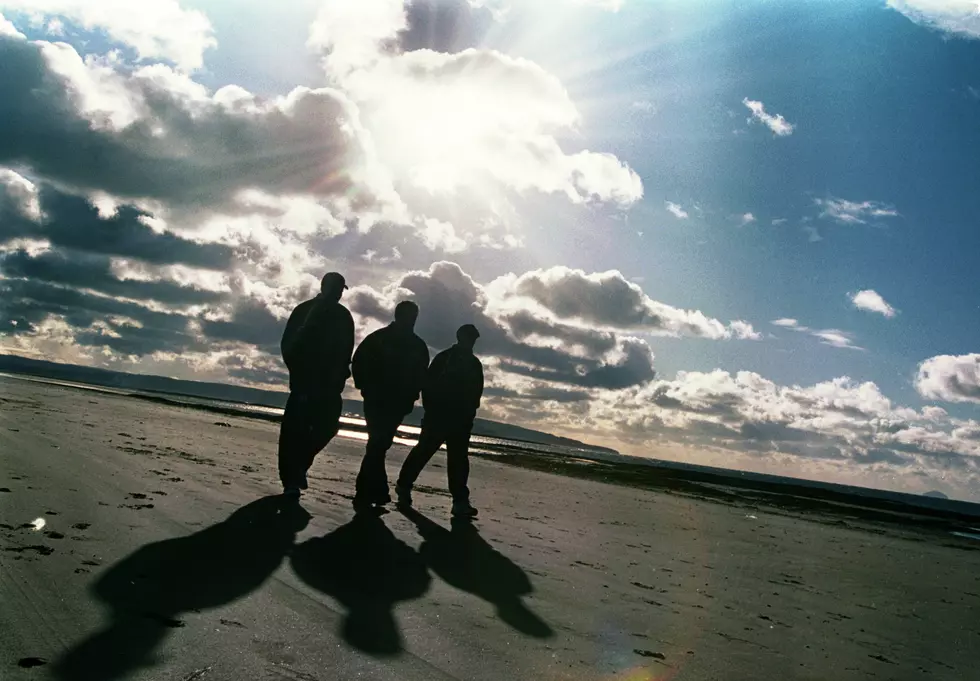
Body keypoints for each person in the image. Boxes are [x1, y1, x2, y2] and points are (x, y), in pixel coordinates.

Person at [278, 272, 355, 498]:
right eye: (337, 288)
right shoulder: (304, 310)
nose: (339, 293)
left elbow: (346, 350)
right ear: (324, 286)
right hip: (305, 382)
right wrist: (299, 375)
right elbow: (289, 346)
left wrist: (341, 374)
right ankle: (291, 480)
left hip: (330, 386)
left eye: (341, 289)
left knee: (328, 427)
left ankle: (299, 467)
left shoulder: (343, 315)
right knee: (294, 432)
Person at [396, 324, 483, 518]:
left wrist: (469, 414)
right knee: (423, 451)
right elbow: (427, 384)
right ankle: (403, 485)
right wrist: (432, 409)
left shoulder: (474, 364)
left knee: (458, 461)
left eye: (473, 339)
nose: (471, 342)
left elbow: (476, 394)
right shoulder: (444, 358)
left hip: (460, 421)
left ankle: (460, 501)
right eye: (469, 338)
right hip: (439, 416)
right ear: (461, 337)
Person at [350, 300, 430, 510]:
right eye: (409, 315)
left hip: (396, 403)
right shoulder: (379, 338)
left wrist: (411, 397)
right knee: (378, 443)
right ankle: (372, 491)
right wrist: (365, 388)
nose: (412, 320)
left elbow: (422, 376)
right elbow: (358, 362)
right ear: (399, 315)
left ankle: (371, 490)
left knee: (379, 444)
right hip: (377, 399)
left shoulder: (417, 346)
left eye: (414, 316)